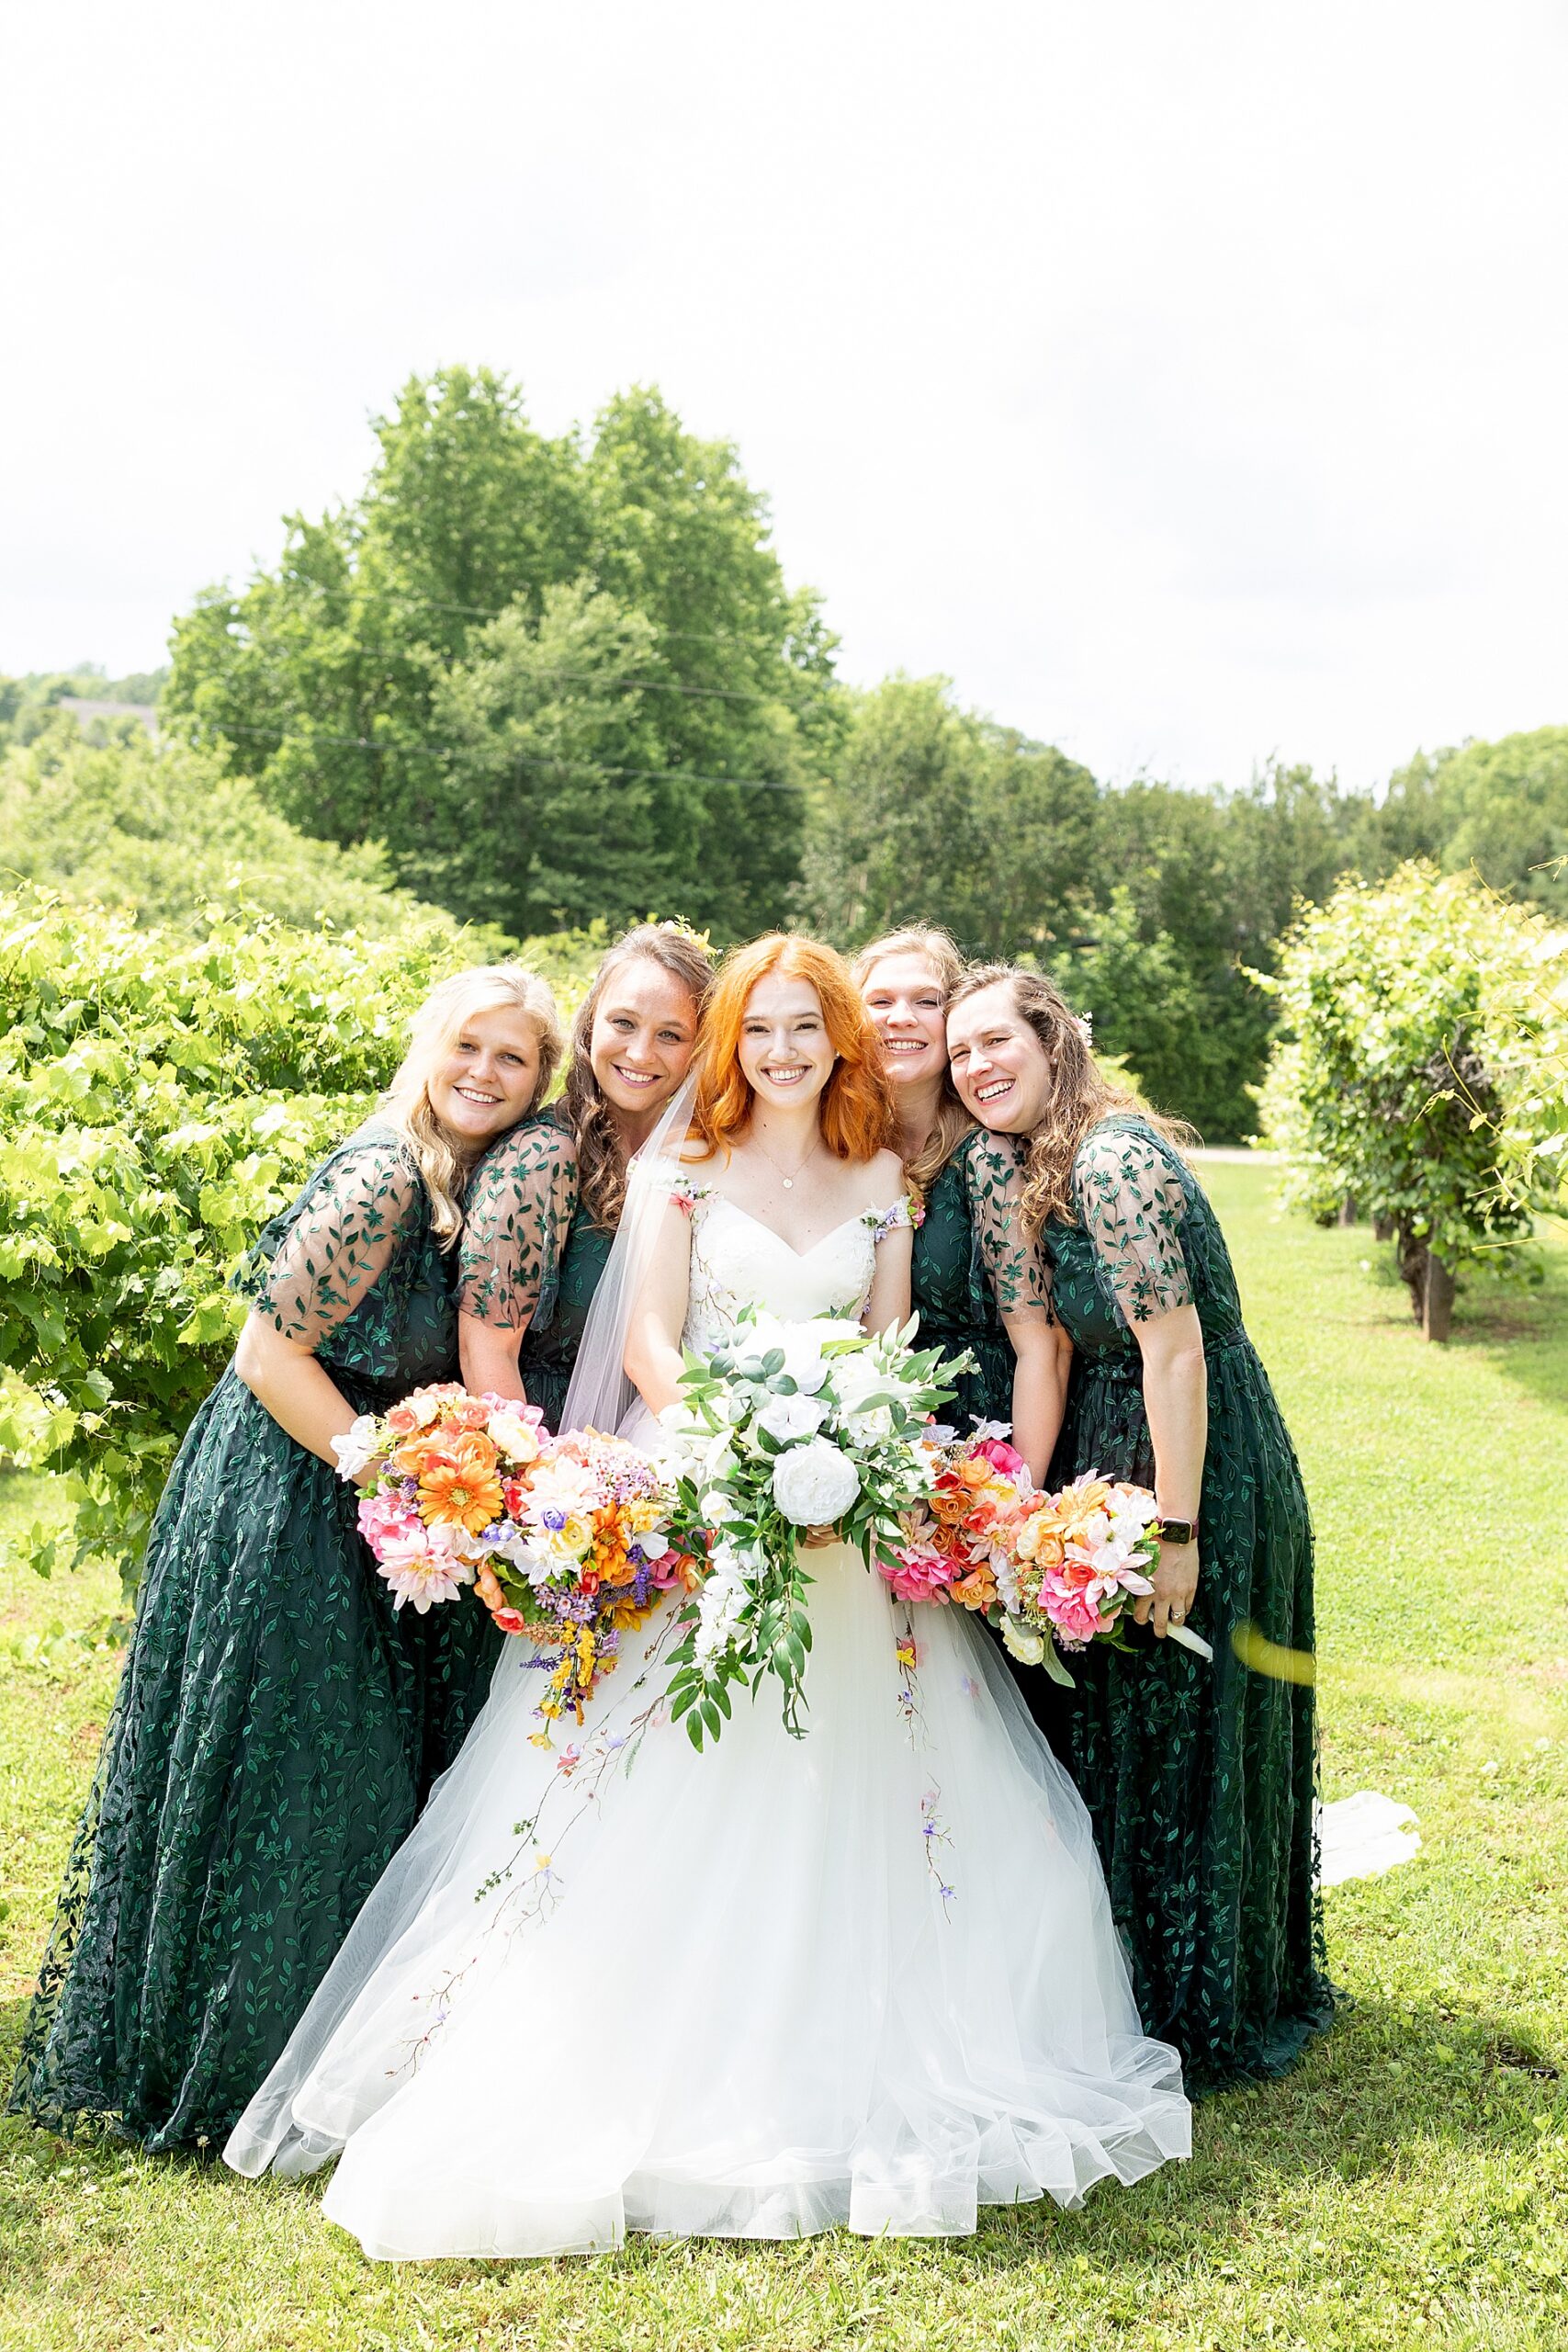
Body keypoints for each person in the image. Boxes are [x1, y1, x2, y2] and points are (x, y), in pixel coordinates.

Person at [225, 934, 1189, 2259]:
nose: (783, 1051)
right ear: (729, 1043)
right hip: (710, 1485)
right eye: (759, 1030)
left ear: (837, 1041)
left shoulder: (880, 1181)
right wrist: (736, 1434)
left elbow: (885, 1345)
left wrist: (848, 1441)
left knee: (862, 1768)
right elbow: (645, 1340)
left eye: (807, 1028)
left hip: (850, 1513)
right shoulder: (684, 1168)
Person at [9, 965, 563, 2154]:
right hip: (288, 1489)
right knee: (284, 1774)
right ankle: (226, 2069)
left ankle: (329, 2057)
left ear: (535, 1087)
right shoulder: (381, 1178)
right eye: (467, 1046)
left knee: (349, 1779)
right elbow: (267, 1353)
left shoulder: (474, 1187)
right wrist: (400, 1476)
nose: (483, 1073)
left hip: (365, 1496)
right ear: (429, 1048)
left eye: (512, 1059)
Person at [946, 964, 1335, 2089]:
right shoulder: (1034, 1163)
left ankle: (1190, 1998)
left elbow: (1174, 1349)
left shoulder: (1110, 1160)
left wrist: (1177, 1530)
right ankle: (1136, 1980)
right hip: (1116, 1446)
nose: (975, 1066)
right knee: (1139, 1730)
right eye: (960, 1050)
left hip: (1184, 1466)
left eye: (995, 1041)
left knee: (1180, 1726)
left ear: (1052, 1038)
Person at [457, 922, 713, 1431]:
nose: (640, 1053)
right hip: (554, 1453)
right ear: (591, 1022)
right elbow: (484, 1351)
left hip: (666, 1449)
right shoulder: (542, 1157)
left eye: (670, 1035)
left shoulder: (703, 1160)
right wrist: (538, 1485)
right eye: (623, 1023)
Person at [854, 926, 1070, 1483]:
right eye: (880, 1001)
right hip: (864, 1440)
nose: (900, 1017)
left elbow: (1042, 1348)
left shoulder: (988, 1156)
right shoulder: (841, 1150)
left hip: (981, 1438)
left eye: (925, 1001)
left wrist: (1013, 1503)